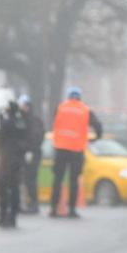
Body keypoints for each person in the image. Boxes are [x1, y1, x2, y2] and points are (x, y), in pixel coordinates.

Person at [49, 87, 102, 218]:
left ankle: (54, 209)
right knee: (73, 180)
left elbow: (54, 123)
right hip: (76, 149)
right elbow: (98, 126)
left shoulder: (60, 107)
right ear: (79, 97)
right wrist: (95, 138)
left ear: (68, 96)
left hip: (60, 148)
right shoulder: (85, 110)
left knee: (58, 179)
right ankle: (72, 209)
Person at [0, 99, 29, 228]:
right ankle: (12, 217)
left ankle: (3, 216)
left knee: (2, 188)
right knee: (14, 189)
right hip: (17, 161)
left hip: (6, 160)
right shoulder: (21, 123)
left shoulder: (7, 123)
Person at [18, 95, 45, 213]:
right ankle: (24, 203)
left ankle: (33, 204)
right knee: (22, 180)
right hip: (22, 154)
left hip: (32, 154)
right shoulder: (20, 120)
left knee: (30, 180)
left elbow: (37, 137)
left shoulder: (34, 120)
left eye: (25, 106)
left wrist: (30, 150)